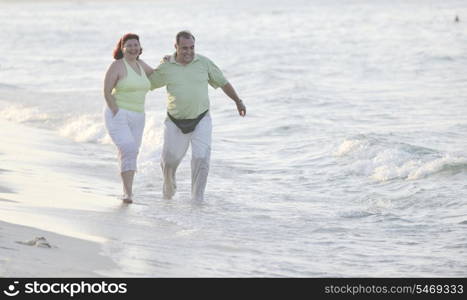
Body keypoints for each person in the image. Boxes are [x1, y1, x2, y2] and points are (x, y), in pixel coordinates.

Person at [149, 30, 246, 201]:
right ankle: (169, 191)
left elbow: (223, 82)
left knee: (201, 158)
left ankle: (197, 201)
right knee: (169, 161)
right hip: (175, 121)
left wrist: (238, 101)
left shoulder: (204, 63)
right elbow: (147, 83)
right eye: (184, 48)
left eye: (192, 47)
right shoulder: (166, 66)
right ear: (176, 47)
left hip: (201, 119)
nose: (188, 52)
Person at [103, 33, 155, 204]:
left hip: (139, 116)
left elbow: (156, 74)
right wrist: (116, 111)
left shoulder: (141, 65)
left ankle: (127, 190)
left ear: (140, 48)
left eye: (136, 45)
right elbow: (107, 91)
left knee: (132, 152)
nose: (133, 48)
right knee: (129, 149)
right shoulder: (117, 66)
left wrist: (169, 61)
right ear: (122, 48)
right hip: (118, 114)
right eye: (129, 45)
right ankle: (128, 193)